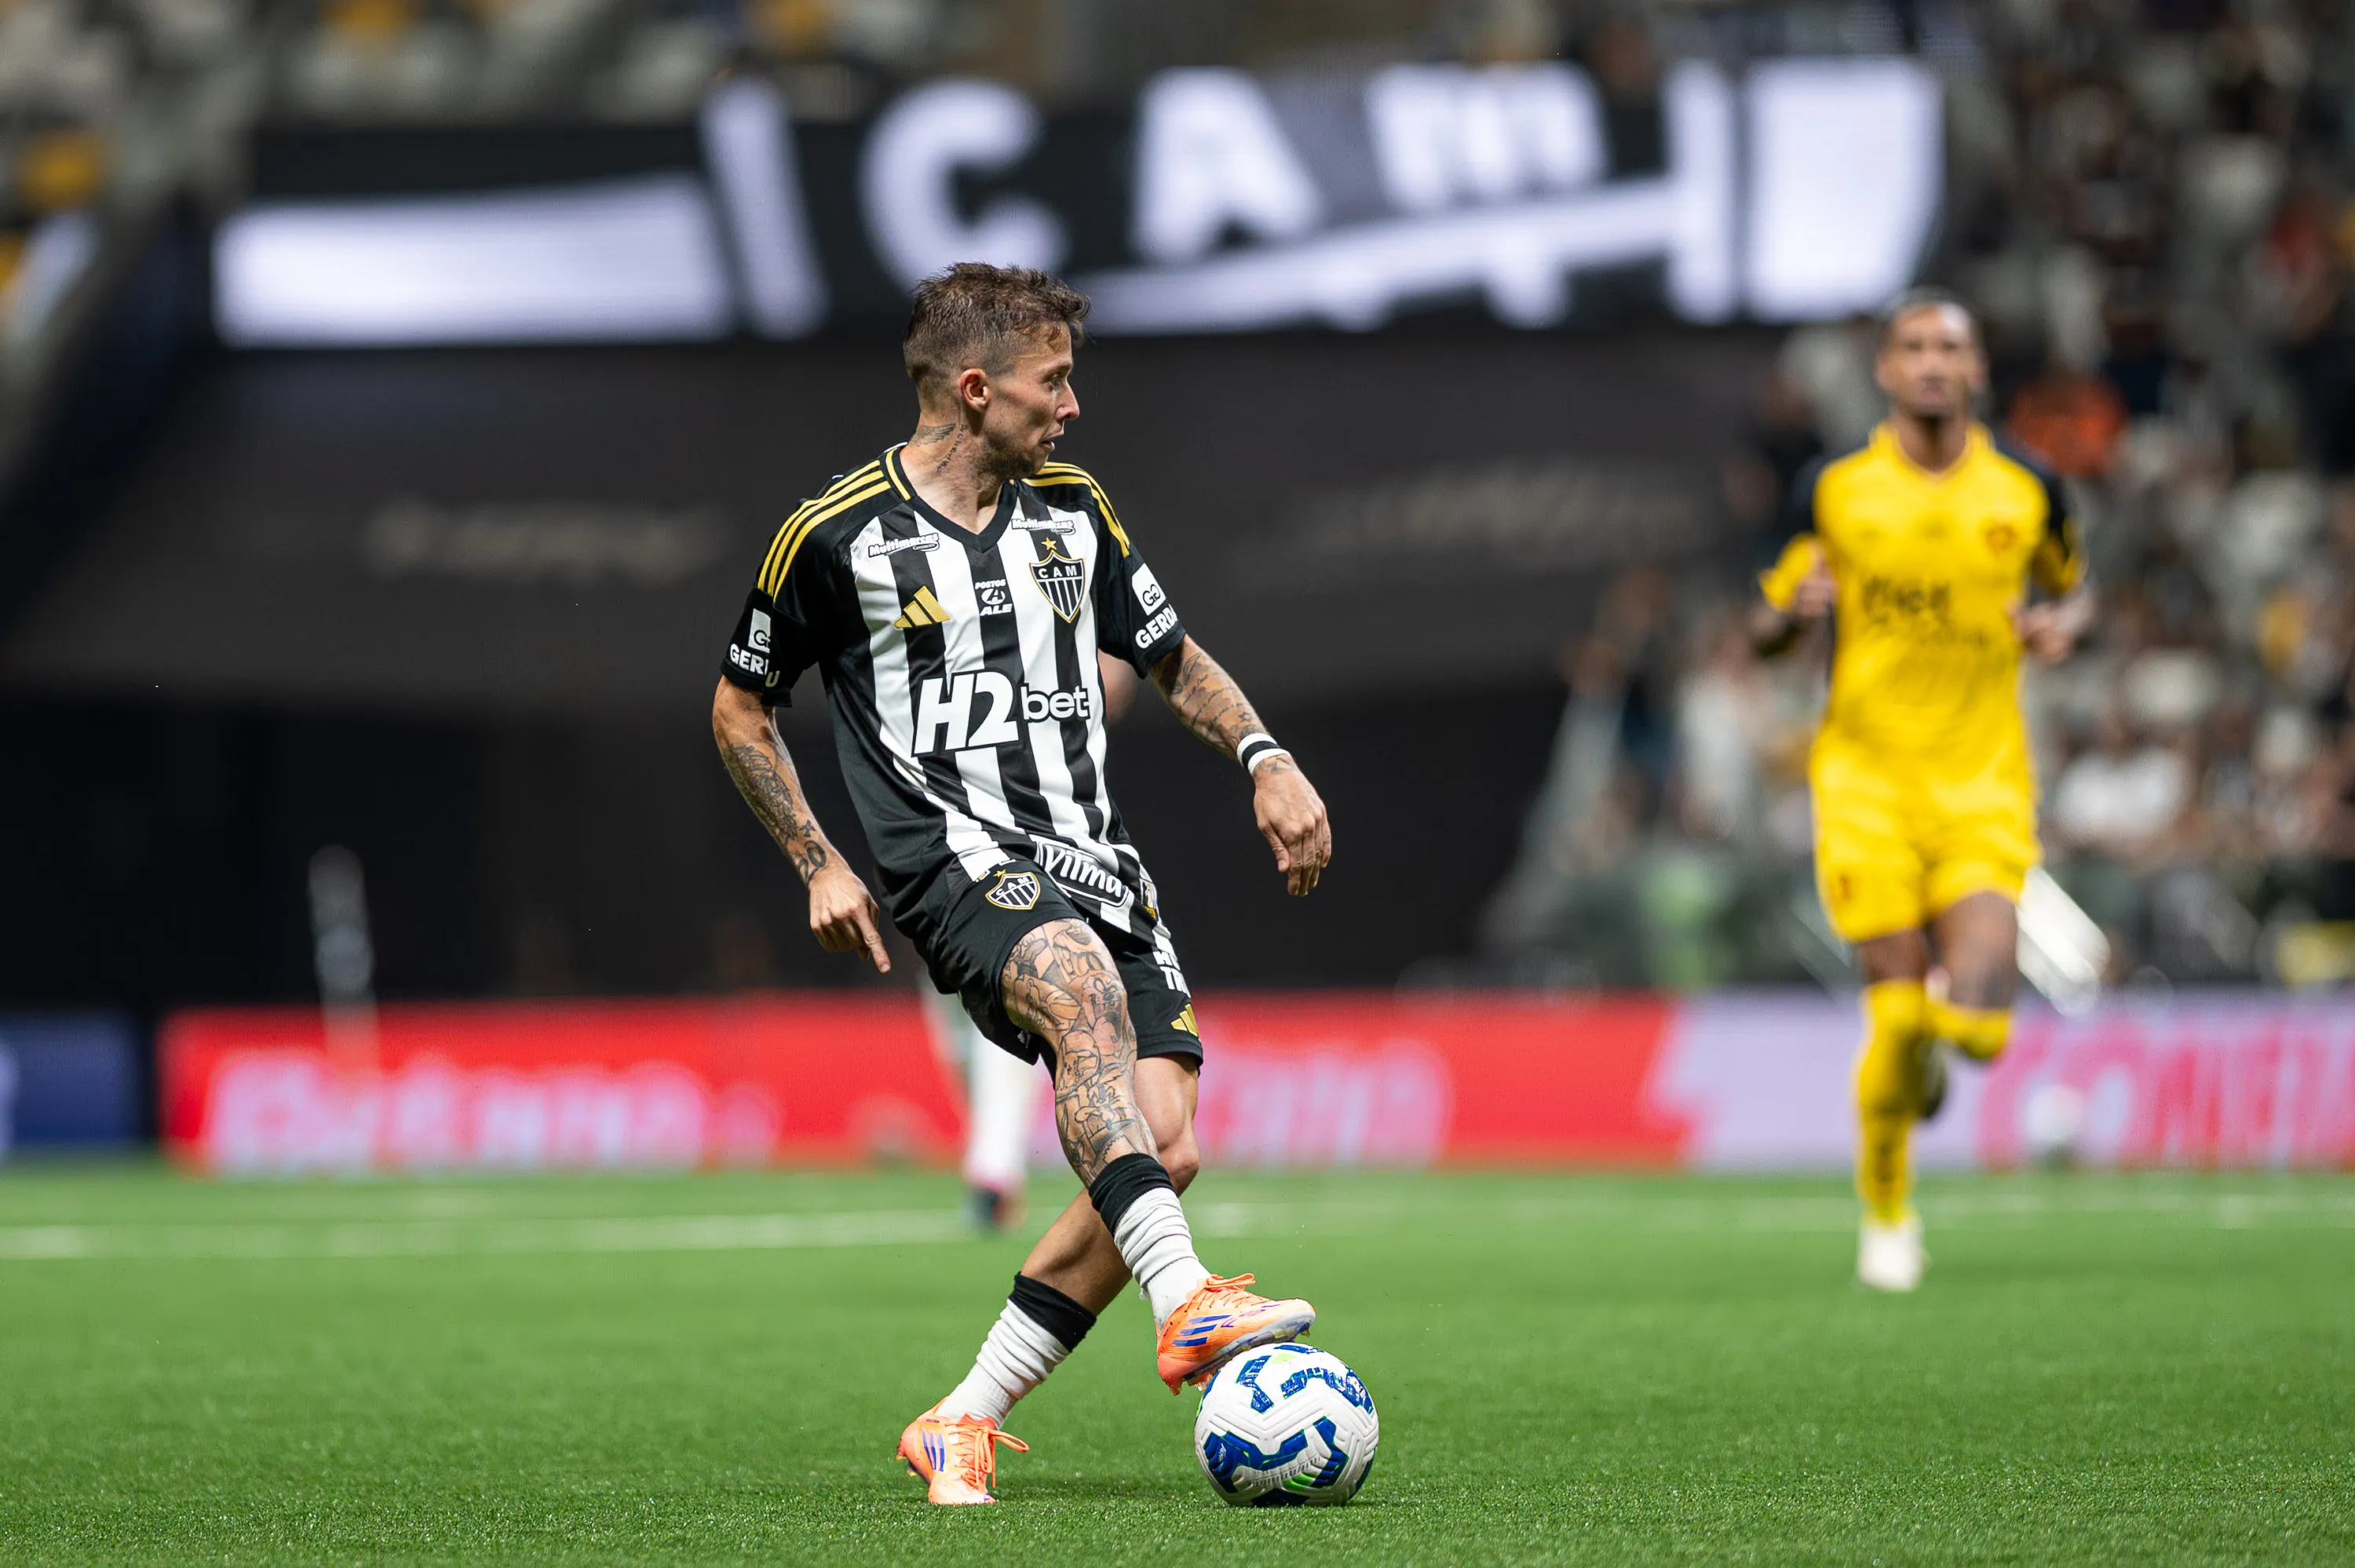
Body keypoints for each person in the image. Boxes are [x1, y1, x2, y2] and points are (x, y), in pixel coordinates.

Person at [710, 263, 1334, 1503]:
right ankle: (1187, 1297)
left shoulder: (1075, 508)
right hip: (953, 865)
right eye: (1054, 380)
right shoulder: (832, 535)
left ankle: (961, 1417)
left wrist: (1266, 757)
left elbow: (1170, 655)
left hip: (1098, 863)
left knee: (1164, 1146)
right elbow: (739, 706)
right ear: (975, 388)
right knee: (1074, 982)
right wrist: (818, 859)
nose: (1073, 404)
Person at [1751, 288, 2093, 1293]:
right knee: (1895, 1017)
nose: (1933, 363)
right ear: (1886, 370)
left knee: (1979, 1030)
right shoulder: (1833, 489)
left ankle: (1937, 1052)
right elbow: (1765, 627)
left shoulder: (2027, 486)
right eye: (1914, 347)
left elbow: (2075, 587)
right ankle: (1888, 1211)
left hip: (1982, 781)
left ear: (1977, 369)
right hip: (1865, 781)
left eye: (1951, 346)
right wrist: (1792, 614)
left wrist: (2063, 626)